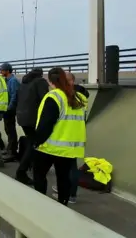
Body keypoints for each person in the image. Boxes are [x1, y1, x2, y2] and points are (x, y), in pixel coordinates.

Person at [32, 67, 87, 206]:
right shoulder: (79, 98)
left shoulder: (54, 97)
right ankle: (63, 205)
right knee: (63, 178)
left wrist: (36, 142)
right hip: (69, 148)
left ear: (50, 82)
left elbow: (46, 124)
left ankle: (40, 203)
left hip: (49, 147)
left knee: (39, 175)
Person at [14, 67, 49, 185]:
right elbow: (45, 99)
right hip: (33, 118)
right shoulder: (40, 82)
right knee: (34, 144)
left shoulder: (24, 83)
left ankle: (25, 168)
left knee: (31, 142)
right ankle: (21, 171)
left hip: (22, 117)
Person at [0, 63, 20, 162]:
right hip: (6, 108)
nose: (1, 72)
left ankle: (12, 152)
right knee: (7, 129)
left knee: (11, 130)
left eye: (2, 70)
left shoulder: (13, 81)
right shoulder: (6, 80)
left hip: (10, 109)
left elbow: (14, 96)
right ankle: (9, 149)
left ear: (7, 71)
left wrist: (9, 108)